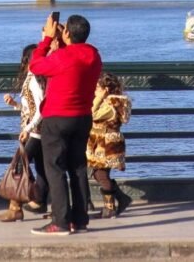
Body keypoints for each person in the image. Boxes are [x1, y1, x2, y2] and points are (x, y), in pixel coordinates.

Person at [28, 14, 101, 236]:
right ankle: (80, 219)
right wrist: (61, 41)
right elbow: (70, 61)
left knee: (55, 168)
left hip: (57, 118)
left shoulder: (62, 57)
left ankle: (60, 221)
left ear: (67, 32)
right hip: (83, 117)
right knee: (78, 167)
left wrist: (47, 39)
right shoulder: (94, 55)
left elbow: (35, 65)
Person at [0, 44, 47, 222]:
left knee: (19, 165)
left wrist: (27, 129)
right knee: (42, 168)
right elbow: (32, 108)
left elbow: (41, 109)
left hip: (34, 132)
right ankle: (40, 201)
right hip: (37, 130)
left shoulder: (33, 79)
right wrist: (15, 105)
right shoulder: (36, 78)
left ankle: (15, 207)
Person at [88, 72, 133, 218]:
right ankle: (120, 199)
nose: (94, 90)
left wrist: (98, 98)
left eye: (97, 87)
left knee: (100, 174)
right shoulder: (112, 102)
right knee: (100, 174)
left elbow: (92, 114)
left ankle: (110, 207)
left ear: (105, 89)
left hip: (106, 143)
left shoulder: (111, 104)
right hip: (105, 142)